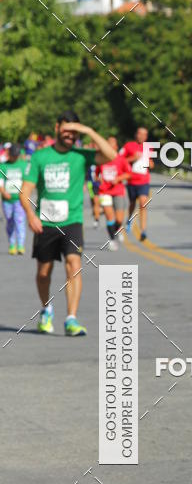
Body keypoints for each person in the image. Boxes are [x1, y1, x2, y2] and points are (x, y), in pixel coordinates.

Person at [20, 110, 114, 336]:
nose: (70, 135)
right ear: (56, 128)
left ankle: (71, 318)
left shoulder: (81, 155)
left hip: (72, 221)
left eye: (75, 131)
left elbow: (111, 156)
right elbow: (25, 191)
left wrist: (89, 131)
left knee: (74, 265)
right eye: (66, 129)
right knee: (44, 273)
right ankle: (46, 310)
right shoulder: (41, 157)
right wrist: (31, 216)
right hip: (45, 223)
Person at [97, 137, 131, 249]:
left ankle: (118, 229)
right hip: (104, 191)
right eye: (108, 144)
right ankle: (112, 240)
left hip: (118, 190)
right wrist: (99, 179)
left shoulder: (121, 159)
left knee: (119, 219)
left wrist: (119, 178)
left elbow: (129, 174)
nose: (110, 147)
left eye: (112, 145)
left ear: (116, 147)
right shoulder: (101, 158)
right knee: (109, 217)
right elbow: (96, 174)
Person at [120, 126, 153, 241]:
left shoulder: (148, 148)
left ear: (146, 136)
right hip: (131, 180)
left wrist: (149, 162)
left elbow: (152, 165)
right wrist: (132, 158)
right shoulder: (128, 146)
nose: (142, 136)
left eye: (145, 134)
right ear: (136, 134)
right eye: (140, 134)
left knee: (143, 204)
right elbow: (120, 160)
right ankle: (129, 219)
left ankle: (143, 230)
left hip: (144, 181)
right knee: (132, 203)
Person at [0, 144, 28, 255]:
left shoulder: (23, 165)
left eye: (17, 155)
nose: (15, 157)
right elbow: (0, 182)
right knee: (10, 221)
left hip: (19, 199)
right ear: (9, 154)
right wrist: (3, 192)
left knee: (20, 221)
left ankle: (20, 245)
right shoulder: (3, 166)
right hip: (7, 199)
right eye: (13, 155)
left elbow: (27, 181)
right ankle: (12, 244)